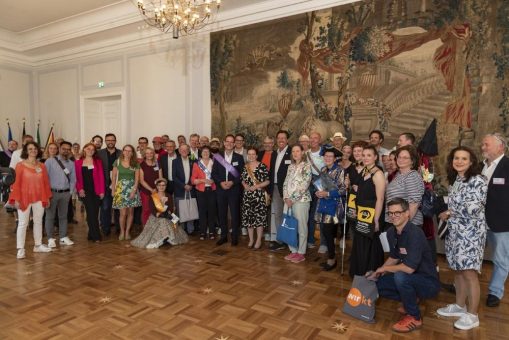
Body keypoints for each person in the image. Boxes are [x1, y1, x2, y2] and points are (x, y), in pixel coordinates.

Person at [436, 146, 487, 330]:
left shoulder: (478, 180)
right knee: (457, 270)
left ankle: (472, 315)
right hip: (456, 233)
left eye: (464, 158)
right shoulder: (457, 179)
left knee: (469, 273)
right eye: (456, 158)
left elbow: (474, 208)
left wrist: (449, 212)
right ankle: (459, 306)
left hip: (471, 234)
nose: (459, 161)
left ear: (471, 161)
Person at [373, 198, 440, 333]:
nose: (393, 216)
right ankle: (411, 299)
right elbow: (394, 257)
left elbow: (409, 269)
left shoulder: (416, 233)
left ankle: (414, 317)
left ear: (407, 213)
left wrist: (385, 268)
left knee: (400, 276)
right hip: (411, 278)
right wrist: (378, 272)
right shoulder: (391, 232)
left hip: (428, 282)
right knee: (377, 283)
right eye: (390, 213)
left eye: (397, 212)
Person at [9, 141, 52, 259]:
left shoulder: (42, 166)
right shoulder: (20, 165)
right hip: (23, 198)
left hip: (39, 197)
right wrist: (16, 199)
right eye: (30, 149)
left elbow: (45, 183)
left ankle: (38, 245)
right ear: (26, 151)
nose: (33, 151)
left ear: (38, 151)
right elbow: (16, 184)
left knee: (38, 221)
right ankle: (20, 249)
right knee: (23, 223)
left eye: (35, 149)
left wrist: (47, 197)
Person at [349, 145, 386, 277]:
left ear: (375, 157)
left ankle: (372, 273)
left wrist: (376, 219)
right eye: (363, 155)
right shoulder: (364, 171)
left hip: (372, 215)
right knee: (360, 242)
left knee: (370, 244)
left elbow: (380, 199)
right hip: (361, 214)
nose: (365, 158)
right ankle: (360, 272)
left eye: (369, 155)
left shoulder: (378, 174)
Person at [482, 133, 509, 308]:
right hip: (479, 222)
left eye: (487, 144)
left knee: (501, 259)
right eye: (483, 145)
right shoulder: (480, 166)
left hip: (501, 223)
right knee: (473, 256)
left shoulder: (508, 166)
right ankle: (463, 285)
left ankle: (495, 292)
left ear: (501, 147)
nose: (483, 147)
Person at [131, 178, 188, 248]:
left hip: (167, 215)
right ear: (157, 186)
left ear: (166, 186)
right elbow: (152, 209)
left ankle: (167, 238)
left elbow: (171, 208)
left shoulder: (169, 196)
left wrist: (167, 211)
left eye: (163, 185)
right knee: (162, 221)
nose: (161, 187)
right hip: (156, 216)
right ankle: (161, 239)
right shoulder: (153, 197)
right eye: (159, 185)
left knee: (172, 220)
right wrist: (158, 213)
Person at [314, 147, 347, 270]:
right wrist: (319, 192)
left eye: (330, 157)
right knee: (327, 233)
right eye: (326, 156)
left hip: (334, 206)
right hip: (323, 204)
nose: (327, 158)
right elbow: (321, 186)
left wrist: (327, 194)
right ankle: (331, 256)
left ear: (334, 159)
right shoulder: (323, 169)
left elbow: (343, 190)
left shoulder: (340, 171)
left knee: (328, 233)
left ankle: (332, 259)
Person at [212, 134, 245, 246]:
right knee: (222, 213)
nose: (229, 143)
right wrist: (221, 183)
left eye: (232, 142)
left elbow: (241, 175)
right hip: (221, 189)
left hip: (234, 190)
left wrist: (232, 182)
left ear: (234, 143)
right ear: (224, 143)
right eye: (227, 141)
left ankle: (234, 236)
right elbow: (214, 174)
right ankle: (224, 236)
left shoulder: (239, 158)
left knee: (235, 214)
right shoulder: (217, 157)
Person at [282, 144, 312, 263]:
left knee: (301, 227)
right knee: (289, 226)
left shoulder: (307, 166)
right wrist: (285, 197)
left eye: (298, 151)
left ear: (302, 152)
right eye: (293, 151)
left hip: (301, 201)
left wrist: (292, 199)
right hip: (287, 201)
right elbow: (285, 183)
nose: (295, 153)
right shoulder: (290, 166)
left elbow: (304, 184)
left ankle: (301, 252)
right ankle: (293, 251)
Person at [44, 141, 77, 247]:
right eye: (64, 148)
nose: (66, 151)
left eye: (68, 149)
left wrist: (70, 192)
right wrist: (46, 194)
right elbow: (44, 179)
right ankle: (50, 238)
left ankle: (63, 237)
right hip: (52, 193)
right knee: (50, 216)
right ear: (59, 148)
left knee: (63, 216)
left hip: (65, 194)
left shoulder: (71, 164)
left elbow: (73, 179)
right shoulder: (50, 161)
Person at [385, 146, 424, 229]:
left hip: (408, 224)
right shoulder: (399, 174)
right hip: (396, 221)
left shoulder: (412, 176)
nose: (401, 159)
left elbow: (414, 203)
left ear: (412, 161)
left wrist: (404, 225)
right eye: (399, 157)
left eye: (405, 157)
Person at [75, 143, 105, 242]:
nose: (90, 150)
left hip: (96, 190)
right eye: (88, 148)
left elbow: (101, 177)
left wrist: (102, 191)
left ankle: (91, 234)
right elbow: (76, 178)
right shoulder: (78, 162)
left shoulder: (98, 162)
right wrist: (80, 189)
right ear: (84, 149)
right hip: (85, 191)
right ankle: (96, 236)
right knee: (91, 212)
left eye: (93, 149)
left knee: (94, 213)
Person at [241, 147, 270, 249]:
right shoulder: (245, 166)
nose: (251, 156)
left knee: (259, 219)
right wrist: (245, 185)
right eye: (249, 154)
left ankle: (258, 240)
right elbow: (243, 179)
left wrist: (257, 186)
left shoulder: (262, 166)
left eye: (253, 154)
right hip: (248, 196)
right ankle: (251, 239)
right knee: (249, 219)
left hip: (259, 196)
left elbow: (267, 181)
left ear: (257, 155)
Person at [112, 144, 142, 240]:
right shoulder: (117, 162)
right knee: (123, 213)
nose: (127, 152)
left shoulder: (135, 163)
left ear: (132, 152)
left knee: (130, 213)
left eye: (130, 151)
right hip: (120, 189)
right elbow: (113, 177)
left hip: (132, 189)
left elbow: (137, 179)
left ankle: (127, 232)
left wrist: (134, 191)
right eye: (125, 150)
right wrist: (113, 190)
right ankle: (122, 231)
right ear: (123, 151)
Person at [268, 130, 291, 251]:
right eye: (279, 138)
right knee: (278, 215)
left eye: (283, 138)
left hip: (288, 190)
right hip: (276, 189)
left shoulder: (292, 152)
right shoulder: (274, 153)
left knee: (290, 216)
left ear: (287, 140)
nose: (281, 140)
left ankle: (290, 240)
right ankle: (280, 240)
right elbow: (272, 172)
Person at [97, 133, 121, 236]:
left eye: (112, 140)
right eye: (108, 140)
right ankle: (105, 228)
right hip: (105, 184)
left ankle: (119, 227)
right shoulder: (99, 153)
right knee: (105, 207)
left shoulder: (121, 153)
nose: (110, 142)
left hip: (119, 185)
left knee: (118, 208)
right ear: (105, 141)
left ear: (115, 141)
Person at [191, 146, 217, 240]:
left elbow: (218, 176)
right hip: (201, 191)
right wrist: (203, 180)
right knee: (202, 212)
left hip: (212, 190)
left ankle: (211, 232)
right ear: (200, 153)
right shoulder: (197, 164)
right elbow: (193, 180)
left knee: (212, 212)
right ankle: (202, 232)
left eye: (207, 151)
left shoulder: (214, 162)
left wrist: (214, 180)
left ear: (210, 153)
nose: (205, 153)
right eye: (204, 151)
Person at [307, 131, 326, 252]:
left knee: (323, 214)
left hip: (322, 183)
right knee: (310, 213)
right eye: (311, 138)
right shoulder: (306, 153)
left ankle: (324, 243)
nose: (313, 140)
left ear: (320, 140)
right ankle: (310, 240)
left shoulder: (325, 152)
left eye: (316, 138)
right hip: (309, 184)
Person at [172, 144, 196, 234]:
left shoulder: (194, 161)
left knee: (191, 209)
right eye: (182, 150)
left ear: (189, 150)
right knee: (180, 210)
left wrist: (190, 185)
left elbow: (196, 175)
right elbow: (174, 177)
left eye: (186, 149)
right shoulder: (175, 162)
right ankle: (181, 230)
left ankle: (191, 229)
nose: (184, 151)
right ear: (179, 151)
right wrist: (184, 185)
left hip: (191, 189)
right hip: (180, 189)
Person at [139, 147, 162, 226]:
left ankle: (155, 228)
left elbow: (160, 178)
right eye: (147, 153)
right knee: (146, 210)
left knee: (157, 209)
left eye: (151, 153)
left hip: (157, 191)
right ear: (144, 155)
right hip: (146, 192)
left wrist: (158, 189)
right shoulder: (141, 165)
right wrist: (151, 189)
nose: (149, 155)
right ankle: (145, 229)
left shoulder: (158, 163)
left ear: (153, 154)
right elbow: (141, 181)